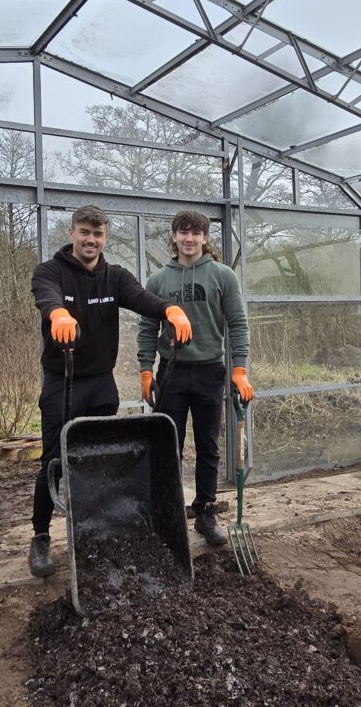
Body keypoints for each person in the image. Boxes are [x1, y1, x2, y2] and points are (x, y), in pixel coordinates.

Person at [28, 204, 192, 578]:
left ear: (105, 237)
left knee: (101, 459)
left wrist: (170, 310)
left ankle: (96, 531)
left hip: (102, 383)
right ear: (72, 233)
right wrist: (57, 314)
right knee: (53, 460)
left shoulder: (115, 276)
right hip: (62, 381)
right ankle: (40, 536)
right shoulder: (49, 271)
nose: (91, 239)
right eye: (85, 232)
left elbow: (139, 297)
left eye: (98, 234)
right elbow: (46, 295)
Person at [137, 210, 253, 547]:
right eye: (182, 232)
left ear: (205, 238)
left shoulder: (222, 276)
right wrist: (146, 370)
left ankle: (205, 511)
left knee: (207, 444)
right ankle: (168, 511)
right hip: (171, 372)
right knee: (167, 444)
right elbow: (147, 328)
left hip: (208, 372)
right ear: (173, 237)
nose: (189, 239)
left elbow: (238, 324)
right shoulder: (158, 281)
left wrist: (240, 370)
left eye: (196, 233)